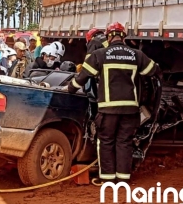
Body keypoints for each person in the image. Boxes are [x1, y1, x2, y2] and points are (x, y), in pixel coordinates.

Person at [67, 22, 161, 184]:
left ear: (108, 37)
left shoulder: (100, 55)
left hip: (108, 110)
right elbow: (154, 71)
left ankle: (107, 180)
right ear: (123, 36)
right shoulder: (136, 55)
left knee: (106, 142)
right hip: (130, 111)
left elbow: (82, 78)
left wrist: (69, 89)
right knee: (124, 143)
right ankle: (123, 179)